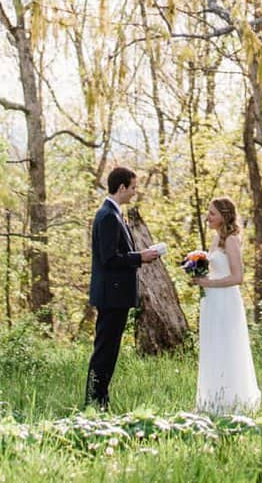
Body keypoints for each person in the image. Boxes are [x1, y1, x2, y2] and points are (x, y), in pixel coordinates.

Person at [85, 166, 163, 410]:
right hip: (111, 295)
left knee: (109, 350)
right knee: (104, 351)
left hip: (115, 295)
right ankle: (94, 401)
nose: (134, 193)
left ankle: (100, 399)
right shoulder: (108, 215)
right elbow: (109, 258)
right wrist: (141, 257)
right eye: (133, 188)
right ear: (121, 188)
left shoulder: (115, 214)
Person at [196, 196, 261, 414]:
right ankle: (212, 399)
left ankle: (231, 401)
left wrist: (209, 283)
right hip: (212, 302)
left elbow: (237, 277)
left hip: (226, 301)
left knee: (227, 348)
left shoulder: (232, 240)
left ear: (224, 216)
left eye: (212, 213)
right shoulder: (216, 240)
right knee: (213, 348)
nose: (208, 217)